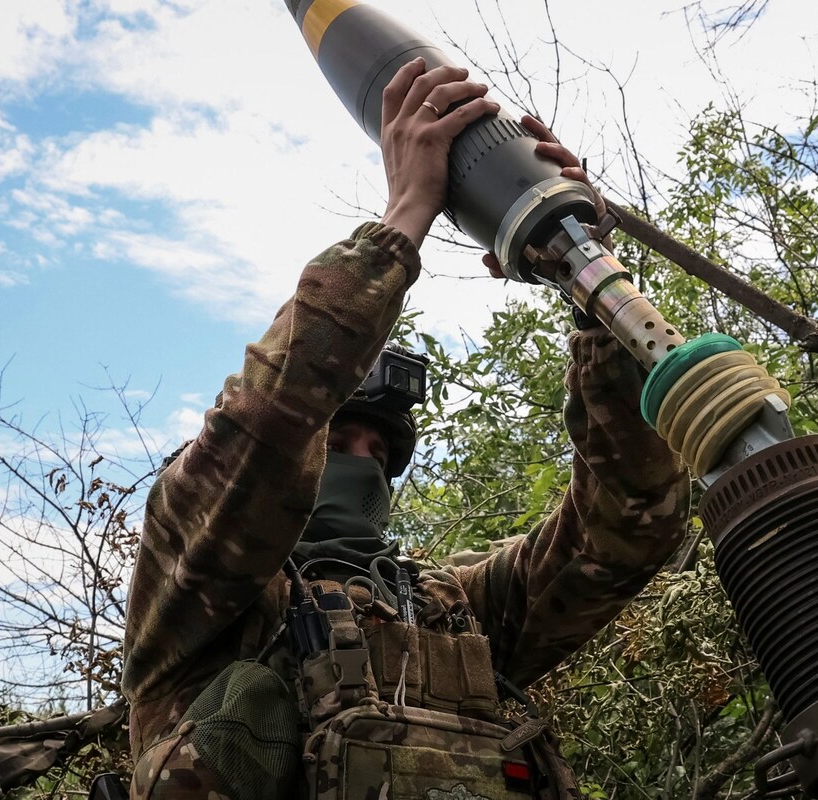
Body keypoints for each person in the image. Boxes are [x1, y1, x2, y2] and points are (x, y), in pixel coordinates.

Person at [120, 60, 690, 799]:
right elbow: (261, 429)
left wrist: (587, 281)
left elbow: (627, 524)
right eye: (338, 442)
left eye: (379, 454)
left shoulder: (451, 609)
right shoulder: (196, 595)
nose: (360, 464)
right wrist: (403, 223)